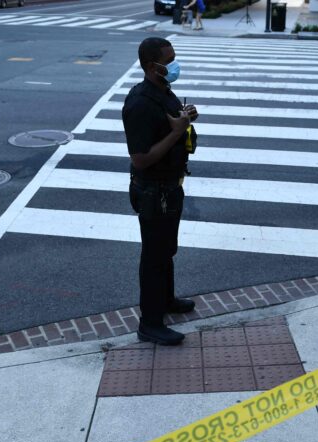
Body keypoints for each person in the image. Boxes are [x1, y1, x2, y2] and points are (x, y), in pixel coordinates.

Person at [121, 37, 199, 346]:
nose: (175, 64)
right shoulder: (140, 103)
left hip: (169, 187)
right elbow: (140, 159)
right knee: (154, 256)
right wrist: (177, 132)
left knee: (166, 250)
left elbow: (172, 126)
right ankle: (150, 323)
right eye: (170, 60)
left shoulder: (163, 91)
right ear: (154, 67)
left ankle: (167, 300)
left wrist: (185, 118)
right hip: (154, 191)